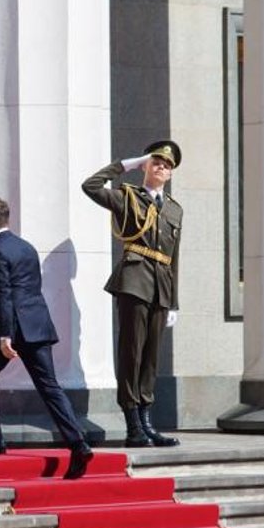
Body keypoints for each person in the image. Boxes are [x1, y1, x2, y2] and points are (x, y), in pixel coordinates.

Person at [0, 197, 93, 479]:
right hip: (38, 323)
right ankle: (79, 443)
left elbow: (4, 295)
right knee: (50, 387)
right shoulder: (26, 247)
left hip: (14, 326)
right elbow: (30, 289)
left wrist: (5, 335)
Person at [81, 140, 183, 448]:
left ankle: (147, 423)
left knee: (150, 358)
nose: (161, 167)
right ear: (146, 166)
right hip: (134, 281)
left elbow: (175, 257)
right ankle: (132, 425)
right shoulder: (128, 198)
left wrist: (174, 302)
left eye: (167, 165)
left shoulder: (175, 209)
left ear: (170, 173)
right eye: (155, 162)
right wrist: (126, 163)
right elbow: (91, 186)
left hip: (161, 287)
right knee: (132, 352)